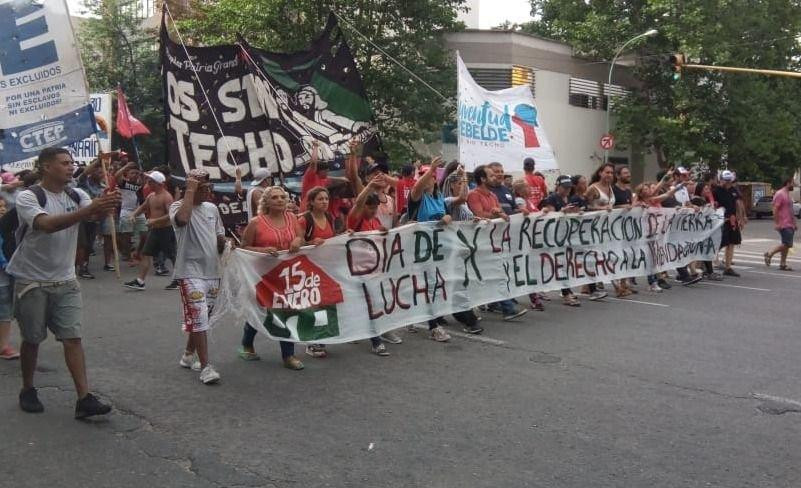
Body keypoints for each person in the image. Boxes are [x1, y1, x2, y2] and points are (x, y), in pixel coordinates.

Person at [8, 147, 120, 417]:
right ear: (46, 167)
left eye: (72, 163)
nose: (71, 167)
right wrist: (90, 210)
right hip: (31, 279)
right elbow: (46, 225)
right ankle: (27, 388)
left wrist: (105, 206)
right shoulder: (28, 196)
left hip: (65, 279)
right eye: (64, 163)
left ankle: (84, 398)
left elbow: (91, 215)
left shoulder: (76, 194)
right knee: (32, 339)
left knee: (73, 338)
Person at [238, 186, 306, 369]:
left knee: (286, 311)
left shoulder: (292, 218)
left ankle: (288, 356)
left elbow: (301, 238)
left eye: (282, 197)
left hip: (287, 275)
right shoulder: (256, 223)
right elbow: (243, 247)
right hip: (262, 277)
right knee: (261, 311)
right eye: (275, 197)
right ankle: (247, 342)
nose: (280, 200)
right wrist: (261, 250)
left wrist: (298, 241)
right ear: (266, 202)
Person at [171, 169, 226, 384]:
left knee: (202, 318)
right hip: (190, 272)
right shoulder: (178, 207)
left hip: (212, 272)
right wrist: (190, 191)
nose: (208, 192)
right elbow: (182, 220)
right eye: (202, 188)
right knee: (200, 317)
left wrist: (224, 243)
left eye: (208, 188)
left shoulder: (212, 208)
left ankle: (187, 356)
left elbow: (218, 233)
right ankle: (205, 367)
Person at [466, 165, 527, 321]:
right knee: (486, 275)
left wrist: (501, 214)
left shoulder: (493, 195)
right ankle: (505, 308)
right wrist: (495, 214)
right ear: (482, 179)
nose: (495, 178)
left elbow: (502, 214)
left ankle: (498, 305)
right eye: (491, 175)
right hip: (479, 242)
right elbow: (480, 215)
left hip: (494, 242)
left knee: (494, 273)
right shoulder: (473, 195)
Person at [407, 157, 453, 342]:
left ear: (435, 180)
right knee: (426, 285)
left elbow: (445, 215)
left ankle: (416, 315)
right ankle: (434, 326)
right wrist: (432, 168)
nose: (424, 179)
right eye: (421, 176)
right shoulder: (417, 197)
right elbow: (417, 187)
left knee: (428, 285)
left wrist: (448, 217)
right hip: (418, 250)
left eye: (429, 177)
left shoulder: (440, 198)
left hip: (438, 249)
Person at [347, 179, 391, 355]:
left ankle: (357, 330)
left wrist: (384, 232)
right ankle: (376, 341)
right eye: (370, 208)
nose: (373, 211)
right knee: (369, 304)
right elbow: (358, 202)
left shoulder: (373, 222)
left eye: (375, 208)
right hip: (357, 270)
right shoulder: (355, 220)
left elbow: (378, 235)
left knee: (364, 303)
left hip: (372, 269)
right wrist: (370, 187)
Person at [440, 167, 484, 334]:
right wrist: (464, 177)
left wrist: (474, 220)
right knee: (457, 283)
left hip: (463, 248)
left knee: (459, 283)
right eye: (459, 183)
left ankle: (442, 315)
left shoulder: (464, 204)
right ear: (451, 186)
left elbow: (466, 218)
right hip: (452, 249)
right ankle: (468, 319)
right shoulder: (449, 200)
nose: (462, 185)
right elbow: (463, 196)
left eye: (462, 183)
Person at [296, 186, 338, 357]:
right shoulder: (304, 220)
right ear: (311, 202)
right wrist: (312, 242)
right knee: (313, 305)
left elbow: (332, 239)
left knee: (326, 303)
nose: (324, 202)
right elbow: (297, 244)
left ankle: (321, 337)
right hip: (308, 268)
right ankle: (311, 342)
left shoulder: (329, 216)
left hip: (326, 266)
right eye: (320, 199)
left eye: (326, 199)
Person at [124, 171, 176, 291]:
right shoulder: (151, 196)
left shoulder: (166, 197)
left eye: (151, 181)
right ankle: (140, 281)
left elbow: (171, 215)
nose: (148, 183)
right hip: (154, 231)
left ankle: (179, 280)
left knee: (173, 256)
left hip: (166, 231)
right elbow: (143, 207)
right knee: (145, 254)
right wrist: (133, 214)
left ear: (158, 183)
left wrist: (155, 221)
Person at [540, 175, 584, 306]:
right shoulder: (552, 198)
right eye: (565, 188)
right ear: (558, 186)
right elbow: (551, 216)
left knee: (565, 264)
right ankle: (566, 293)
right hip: (555, 237)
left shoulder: (569, 198)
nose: (567, 190)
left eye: (569, 188)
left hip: (566, 235)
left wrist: (577, 212)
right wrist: (562, 211)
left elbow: (570, 213)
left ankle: (566, 290)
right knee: (559, 264)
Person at [568, 175, 609, 301]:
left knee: (589, 260)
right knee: (572, 262)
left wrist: (600, 209)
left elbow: (588, 209)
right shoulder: (575, 198)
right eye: (582, 183)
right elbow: (572, 213)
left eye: (585, 182)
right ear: (575, 185)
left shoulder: (583, 198)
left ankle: (592, 289)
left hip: (585, 234)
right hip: (576, 235)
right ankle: (567, 291)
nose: (585, 185)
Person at [713, 170, 745, 277]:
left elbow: (737, 204)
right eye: (725, 180)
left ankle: (728, 267)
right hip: (720, 220)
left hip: (732, 219)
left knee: (731, 242)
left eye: (729, 180)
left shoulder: (733, 190)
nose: (727, 183)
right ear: (720, 179)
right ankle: (705, 262)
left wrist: (741, 218)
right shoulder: (716, 191)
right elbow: (713, 205)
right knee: (720, 242)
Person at [115, 160, 147, 263]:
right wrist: (127, 166)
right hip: (126, 211)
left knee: (145, 235)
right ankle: (127, 255)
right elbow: (117, 176)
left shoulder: (139, 184)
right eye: (132, 173)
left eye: (136, 173)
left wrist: (142, 174)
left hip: (139, 212)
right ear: (127, 174)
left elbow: (144, 181)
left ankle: (138, 252)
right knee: (126, 235)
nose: (135, 175)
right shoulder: (123, 183)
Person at [764, 177, 797, 271]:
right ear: (787, 183)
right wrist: (777, 223)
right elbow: (775, 209)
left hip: (790, 223)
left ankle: (783, 264)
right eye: (792, 183)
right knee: (787, 244)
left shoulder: (787, 194)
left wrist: (794, 223)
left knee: (785, 244)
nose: (793, 185)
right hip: (784, 223)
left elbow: (790, 210)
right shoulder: (780, 194)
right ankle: (769, 254)